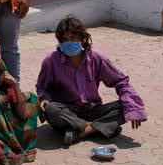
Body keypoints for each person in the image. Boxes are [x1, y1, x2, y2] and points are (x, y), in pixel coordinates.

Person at [36, 16, 147, 146]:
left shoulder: (96, 57)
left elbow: (121, 82)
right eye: (64, 39)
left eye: (72, 38)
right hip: (67, 112)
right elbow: (42, 87)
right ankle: (99, 127)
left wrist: (135, 109)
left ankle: (81, 132)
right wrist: (44, 98)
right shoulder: (52, 60)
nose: (68, 42)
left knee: (126, 105)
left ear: (83, 39)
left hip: (93, 110)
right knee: (51, 109)